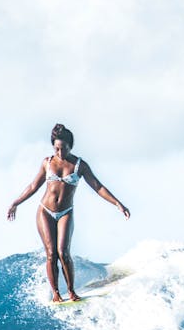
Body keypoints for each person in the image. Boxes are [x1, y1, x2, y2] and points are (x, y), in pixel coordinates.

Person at [7, 123, 130, 303]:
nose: (59, 152)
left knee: (63, 252)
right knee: (51, 254)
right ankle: (56, 293)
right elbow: (33, 186)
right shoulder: (47, 162)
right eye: (56, 148)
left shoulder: (79, 165)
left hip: (65, 212)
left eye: (63, 148)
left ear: (70, 146)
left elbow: (98, 187)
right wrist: (15, 203)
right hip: (45, 211)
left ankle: (71, 291)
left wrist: (117, 203)